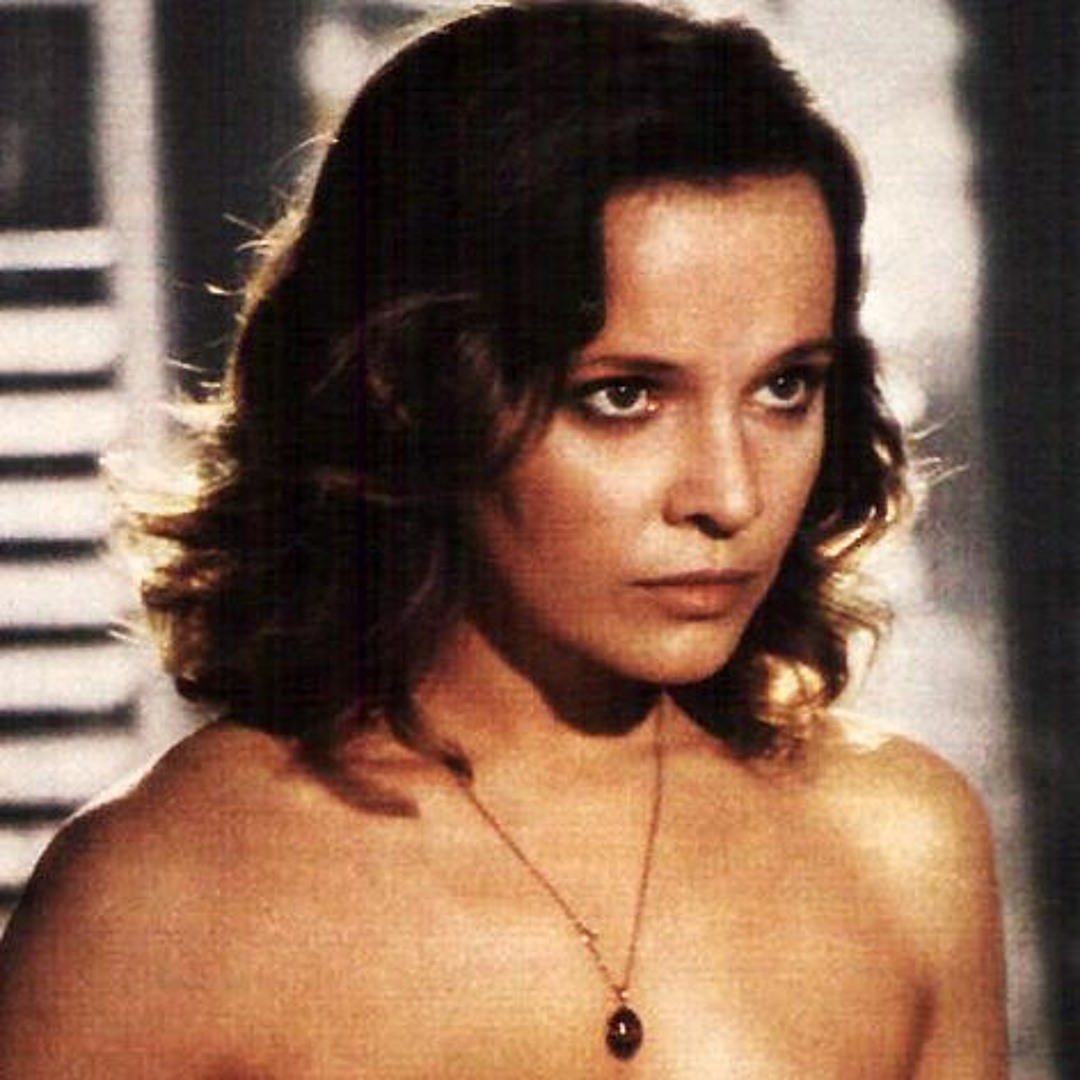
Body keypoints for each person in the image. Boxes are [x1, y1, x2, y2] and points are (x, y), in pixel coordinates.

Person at [0, 2, 1007, 1076]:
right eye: (624, 396)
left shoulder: (899, 848)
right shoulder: (160, 901)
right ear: (411, 388)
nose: (729, 494)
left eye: (785, 387)